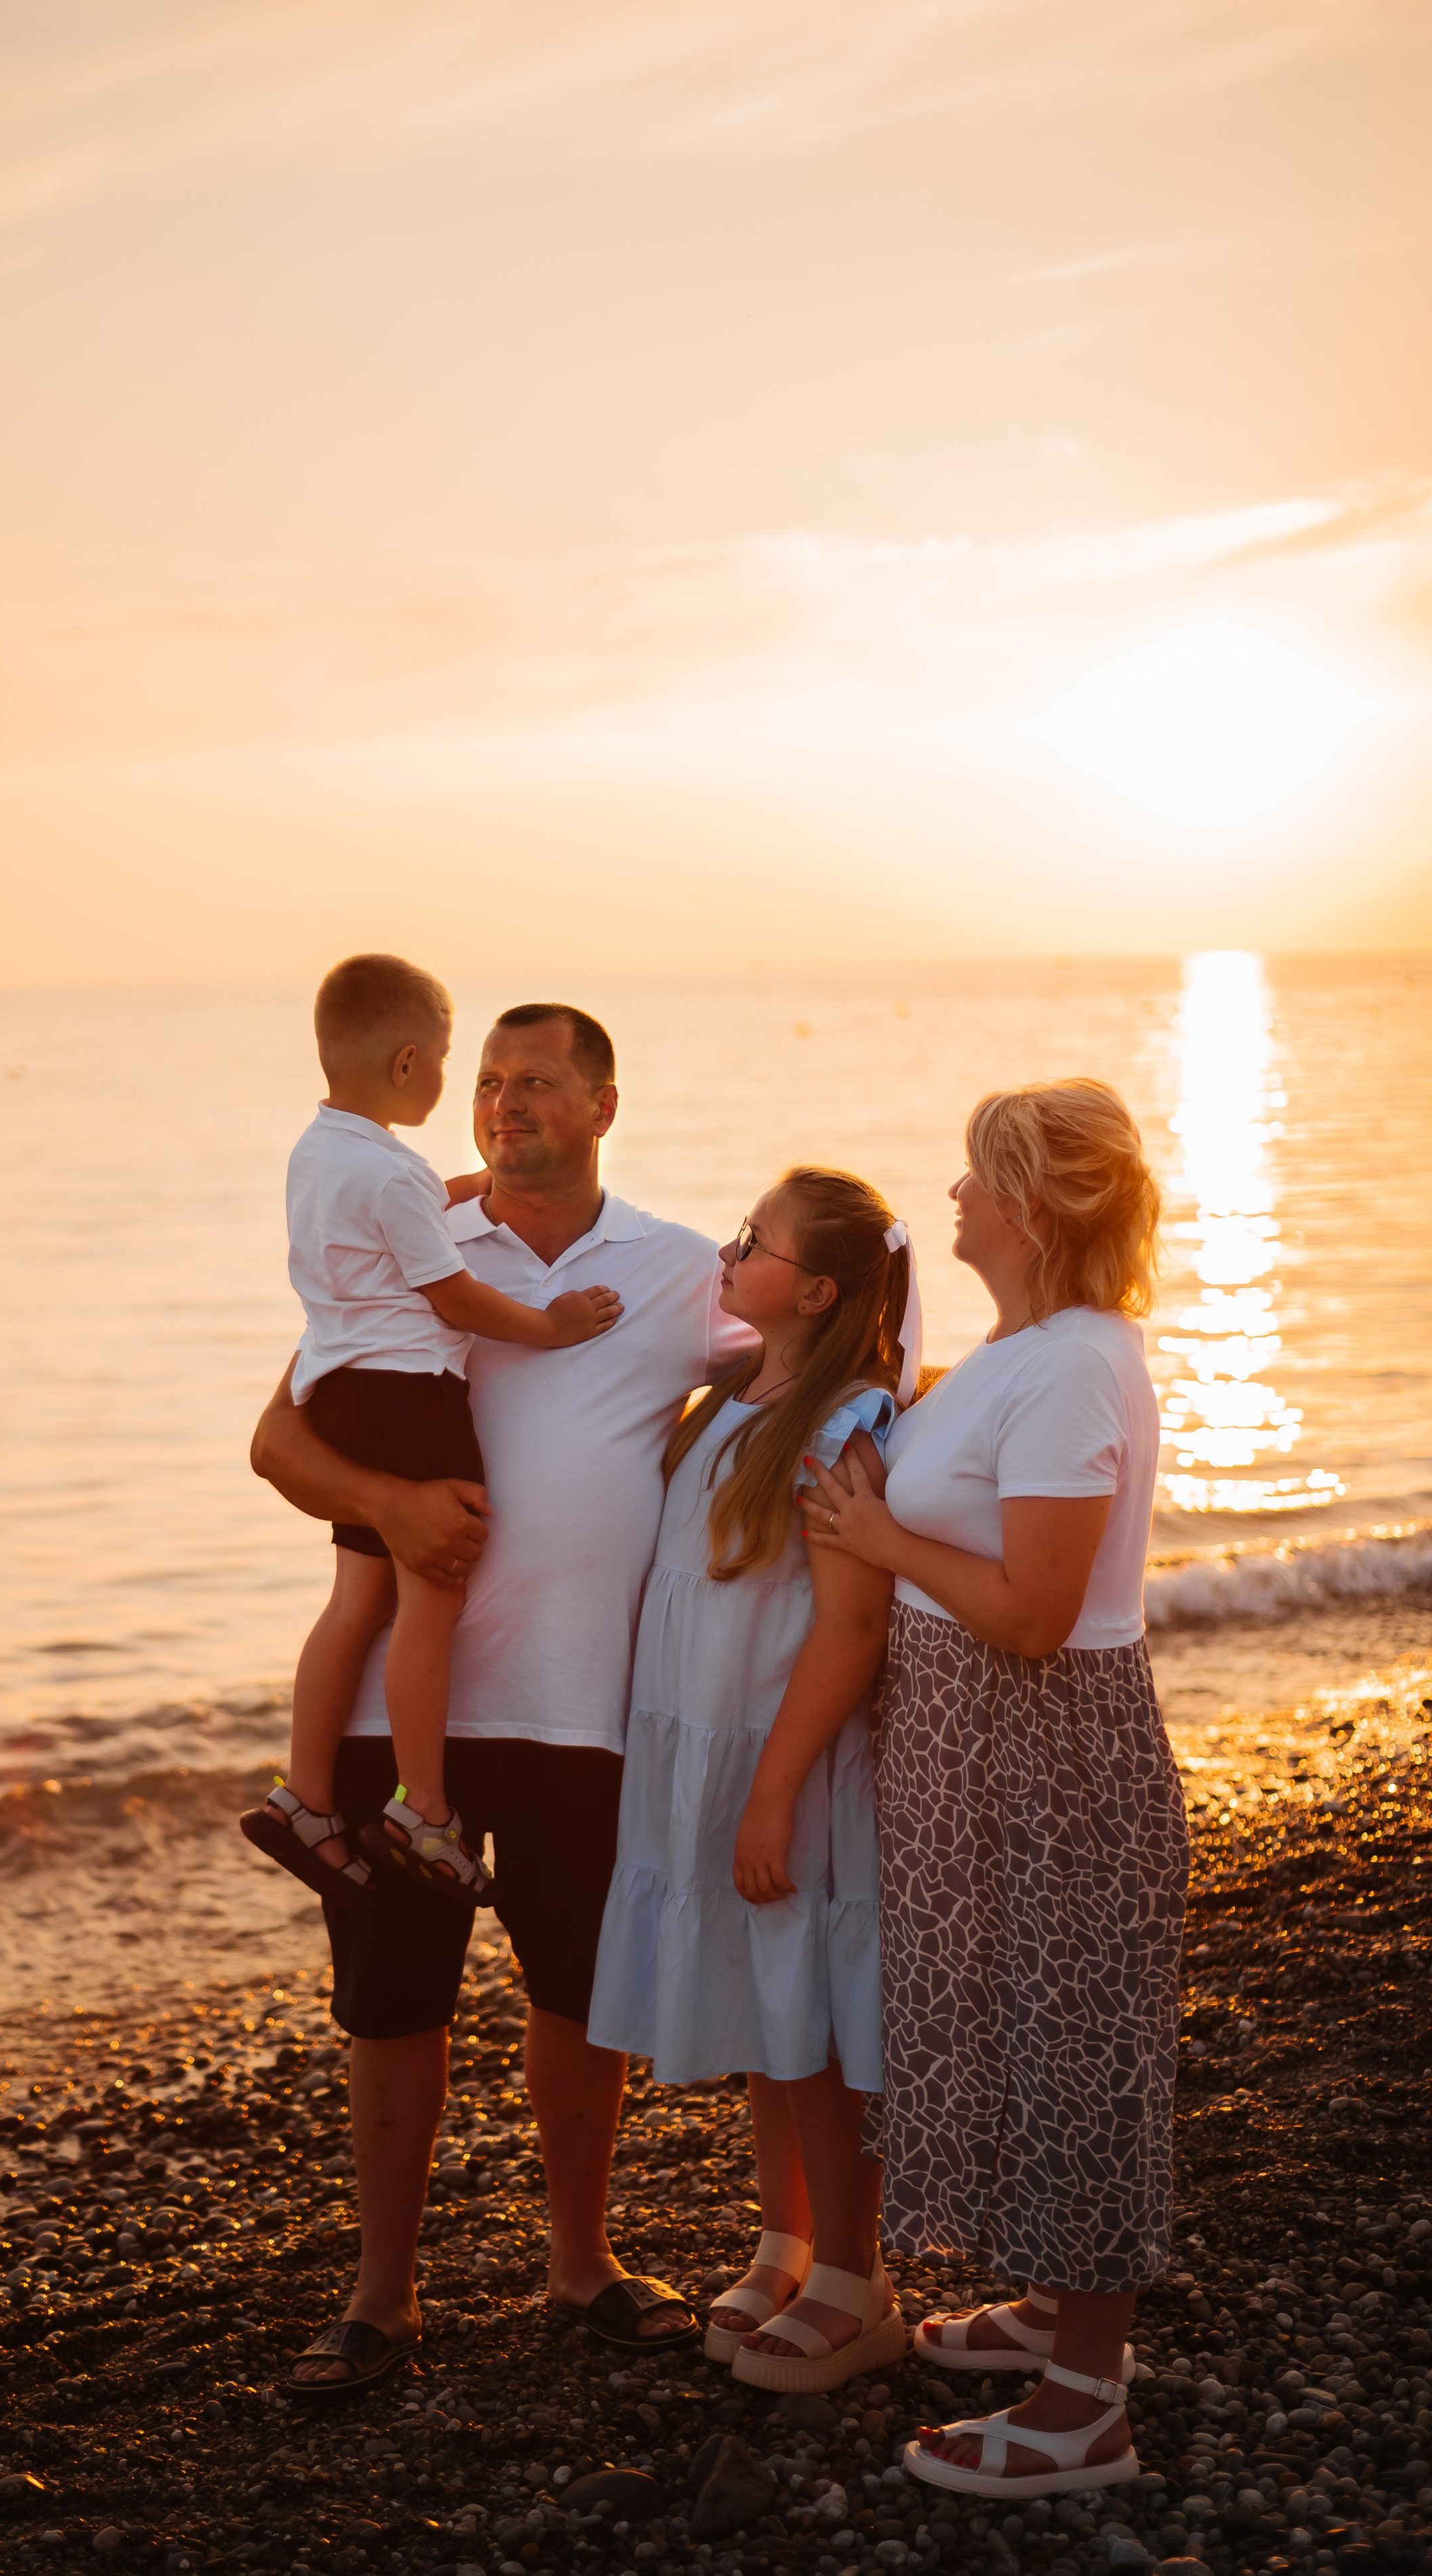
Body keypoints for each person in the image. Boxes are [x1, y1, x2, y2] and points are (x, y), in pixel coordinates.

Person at [249, 1002, 758, 2391]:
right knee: (391, 1999)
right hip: (391, 1721)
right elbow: (275, 1441)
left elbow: (798, 1356)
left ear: (603, 1102)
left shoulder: (667, 1267)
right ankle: (379, 2299)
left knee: (574, 1992)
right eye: (487, 1081)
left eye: (536, 1081)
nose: (504, 1101)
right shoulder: (412, 1242)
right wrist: (391, 1509)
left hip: (577, 1705)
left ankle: (579, 2264)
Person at [803, 1078, 1185, 2502]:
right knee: (1026, 2028)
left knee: (1078, 2050)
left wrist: (873, 1535)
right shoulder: (1022, 1349)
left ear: (1029, 1208)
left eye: (974, 1178)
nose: (950, 1198)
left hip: (1050, 1747)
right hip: (981, 1747)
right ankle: (1055, 2306)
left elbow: (1033, 1612)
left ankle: (1085, 2404)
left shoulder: (1079, 1362)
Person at [588, 1167, 923, 2396]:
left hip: (785, 1748)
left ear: (818, 1287)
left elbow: (847, 1628)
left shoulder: (847, 1422)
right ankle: (784, 2239)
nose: (728, 1252)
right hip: (705, 1738)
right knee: (766, 2011)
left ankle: (856, 2275)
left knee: (812, 2019)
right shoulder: (736, 1392)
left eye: (755, 1241)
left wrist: (774, 1790)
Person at [240, 955, 621, 1912]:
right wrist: (552, 1323)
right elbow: (451, 1292)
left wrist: (449, 1186)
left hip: (340, 1386)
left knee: (354, 1599)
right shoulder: (398, 1173)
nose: (467, 1087)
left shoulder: (320, 1153)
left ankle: (307, 1796)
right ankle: (425, 1807)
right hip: (413, 1399)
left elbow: (389, 1219)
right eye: (462, 1066)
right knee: (430, 1605)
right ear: (411, 1062)